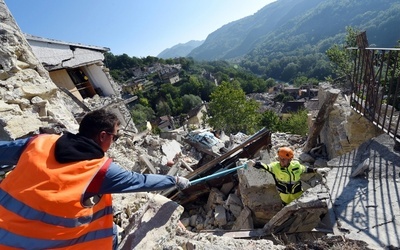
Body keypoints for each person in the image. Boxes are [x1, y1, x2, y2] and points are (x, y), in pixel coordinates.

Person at [0, 108, 190, 250]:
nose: (114, 142)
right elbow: (140, 181)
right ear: (102, 136)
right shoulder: (98, 170)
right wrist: (174, 181)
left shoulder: (39, 142)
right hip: (39, 244)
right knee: (110, 232)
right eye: (114, 137)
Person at [247, 147, 330, 205]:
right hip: (284, 197)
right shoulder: (275, 167)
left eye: (283, 159)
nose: (281, 161)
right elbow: (265, 167)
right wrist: (255, 164)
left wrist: (316, 170)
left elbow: (304, 169)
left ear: (290, 159)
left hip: (298, 195)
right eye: (280, 158)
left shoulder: (296, 165)